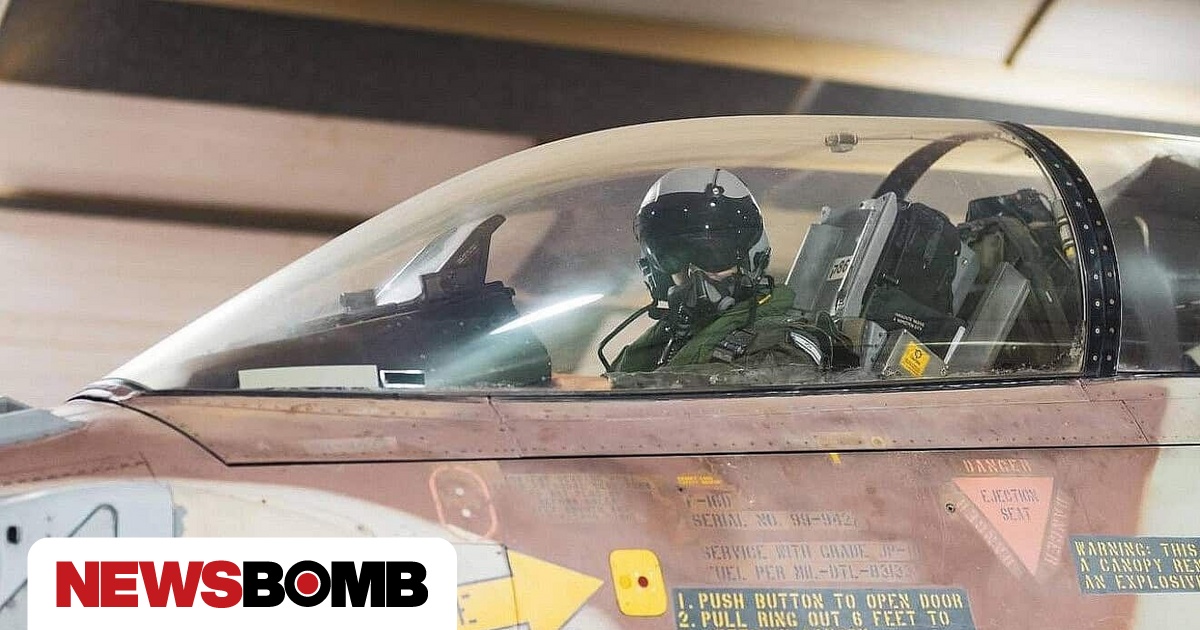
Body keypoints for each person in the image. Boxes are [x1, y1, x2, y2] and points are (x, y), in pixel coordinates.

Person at [606, 167, 856, 379]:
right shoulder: (660, 343)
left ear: (752, 258)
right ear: (657, 271)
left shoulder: (785, 343)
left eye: (713, 254)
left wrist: (622, 387)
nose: (694, 272)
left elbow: (728, 393)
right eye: (674, 255)